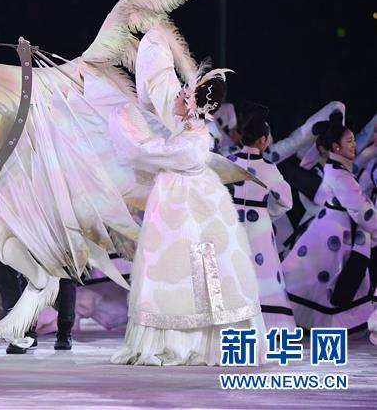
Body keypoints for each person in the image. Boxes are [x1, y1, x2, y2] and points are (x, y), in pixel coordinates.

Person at [110, 25, 265, 366]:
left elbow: (146, 151)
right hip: (182, 210)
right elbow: (160, 98)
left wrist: (122, 123)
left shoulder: (192, 144)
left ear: (195, 104)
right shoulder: (189, 132)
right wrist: (156, 53)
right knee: (183, 273)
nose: (178, 96)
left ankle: (184, 343)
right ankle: (183, 338)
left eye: (184, 93)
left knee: (188, 273)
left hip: (186, 217)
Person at [282, 113, 377, 335]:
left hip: (331, 231)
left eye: (354, 140)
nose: (355, 145)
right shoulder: (340, 176)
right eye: (350, 142)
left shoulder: (338, 170)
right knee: (323, 284)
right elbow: (363, 212)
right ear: (335, 147)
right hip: (335, 236)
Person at [227, 104, 296, 331]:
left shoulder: (228, 161)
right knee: (263, 273)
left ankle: (230, 325)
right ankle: (267, 327)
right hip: (259, 229)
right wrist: (267, 214)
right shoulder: (268, 168)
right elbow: (286, 201)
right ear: (263, 140)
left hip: (231, 225)